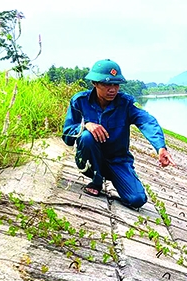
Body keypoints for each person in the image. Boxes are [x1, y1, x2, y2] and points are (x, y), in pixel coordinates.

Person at [61, 59, 175, 209]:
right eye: (107, 84)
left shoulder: (125, 104)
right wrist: (85, 126)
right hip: (90, 159)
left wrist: (160, 147)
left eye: (116, 84)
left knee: (137, 199)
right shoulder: (80, 101)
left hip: (118, 161)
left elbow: (147, 122)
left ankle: (118, 179)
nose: (112, 89)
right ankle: (96, 181)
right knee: (87, 136)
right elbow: (68, 135)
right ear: (94, 83)